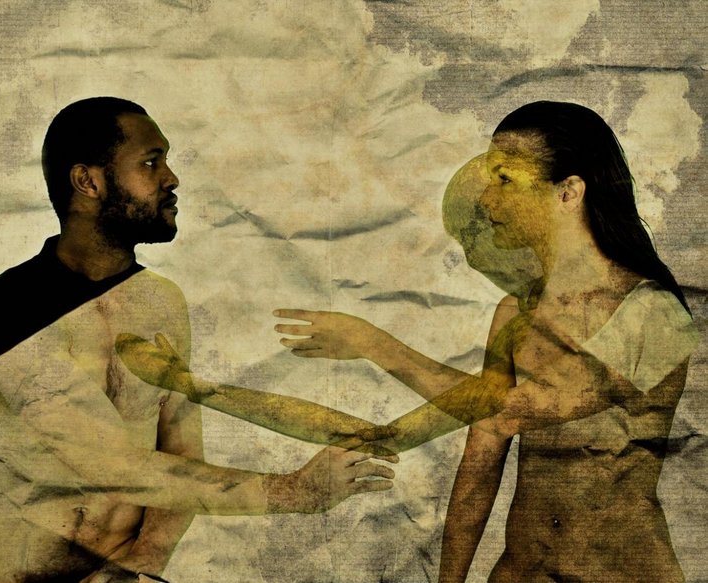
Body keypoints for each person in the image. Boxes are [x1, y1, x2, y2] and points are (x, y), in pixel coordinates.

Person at [0, 97, 396, 583]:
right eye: (150, 162)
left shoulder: (160, 301)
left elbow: (181, 453)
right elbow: (108, 464)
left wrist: (142, 563)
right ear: (88, 182)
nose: (172, 178)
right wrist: (293, 491)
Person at [272, 101, 699, 582]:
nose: (487, 200)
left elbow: (507, 412)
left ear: (568, 192)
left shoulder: (654, 314)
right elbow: (481, 457)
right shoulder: (514, 312)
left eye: (504, 179)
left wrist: (373, 343)